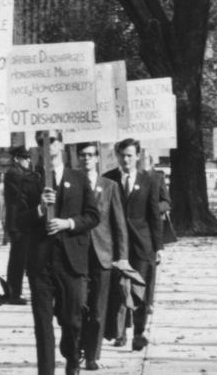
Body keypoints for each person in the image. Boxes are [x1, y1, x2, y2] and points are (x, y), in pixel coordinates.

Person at [19, 136, 99, 375]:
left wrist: (68, 223)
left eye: (52, 140)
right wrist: (39, 209)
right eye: (42, 141)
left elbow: (93, 216)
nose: (48, 146)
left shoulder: (79, 178)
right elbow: (18, 221)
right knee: (42, 325)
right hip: (40, 263)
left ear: (61, 145)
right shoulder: (30, 181)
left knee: (71, 320)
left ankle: (72, 358)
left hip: (70, 261)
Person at [103, 138, 162, 351]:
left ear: (137, 156)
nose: (126, 159)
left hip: (142, 245)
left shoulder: (150, 180)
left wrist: (158, 247)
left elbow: (154, 214)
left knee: (140, 291)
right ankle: (120, 333)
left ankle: (138, 333)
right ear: (117, 156)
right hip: (116, 245)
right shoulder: (108, 179)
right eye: (122, 155)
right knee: (119, 290)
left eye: (130, 155)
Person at [77, 141, 128, 371]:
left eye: (90, 155)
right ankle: (77, 347)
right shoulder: (72, 184)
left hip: (103, 256)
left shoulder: (109, 186)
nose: (86, 159)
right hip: (76, 255)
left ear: (97, 158)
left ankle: (92, 355)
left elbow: (119, 225)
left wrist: (123, 257)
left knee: (97, 311)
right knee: (76, 308)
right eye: (82, 155)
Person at [4, 144, 39, 305]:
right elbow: (26, 185)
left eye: (29, 158)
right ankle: (13, 293)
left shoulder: (22, 173)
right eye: (25, 158)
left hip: (23, 222)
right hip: (17, 223)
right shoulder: (14, 173)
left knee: (20, 258)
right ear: (17, 159)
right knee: (18, 260)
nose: (28, 161)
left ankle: (14, 292)